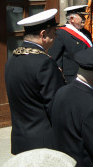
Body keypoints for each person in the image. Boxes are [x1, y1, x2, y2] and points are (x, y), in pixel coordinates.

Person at [5, 9, 65, 154]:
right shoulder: (44, 62)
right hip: (43, 142)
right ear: (43, 34)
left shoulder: (12, 59)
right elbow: (56, 107)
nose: (56, 36)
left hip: (21, 140)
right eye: (54, 32)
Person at [49, 5, 93, 82]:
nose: (84, 19)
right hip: (71, 78)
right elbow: (55, 58)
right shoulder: (61, 33)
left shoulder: (86, 33)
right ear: (72, 19)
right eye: (81, 17)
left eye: (84, 16)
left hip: (88, 75)